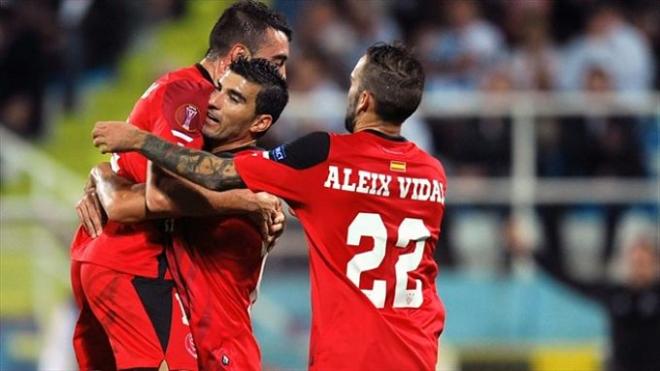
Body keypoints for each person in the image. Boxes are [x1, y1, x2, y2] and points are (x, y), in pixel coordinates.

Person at [93, 43, 447, 371]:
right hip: (417, 351)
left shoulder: (324, 156)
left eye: (352, 83)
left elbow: (215, 175)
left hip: (348, 357)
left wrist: (141, 141)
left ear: (364, 100)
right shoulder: (433, 175)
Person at [70, 1, 291, 369]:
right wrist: (246, 201)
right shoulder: (191, 96)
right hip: (135, 262)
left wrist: (103, 176)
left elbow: (139, 187)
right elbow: (159, 194)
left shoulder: (242, 152)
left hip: (108, 257)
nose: (282, 73)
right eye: (278, 60)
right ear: (237, 54)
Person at [507, 224, 660, 371]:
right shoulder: (615, 293)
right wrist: (529, 252)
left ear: (655, 263)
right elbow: (567, 279)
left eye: (644, 262)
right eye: (636, 262)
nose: (639, 267)